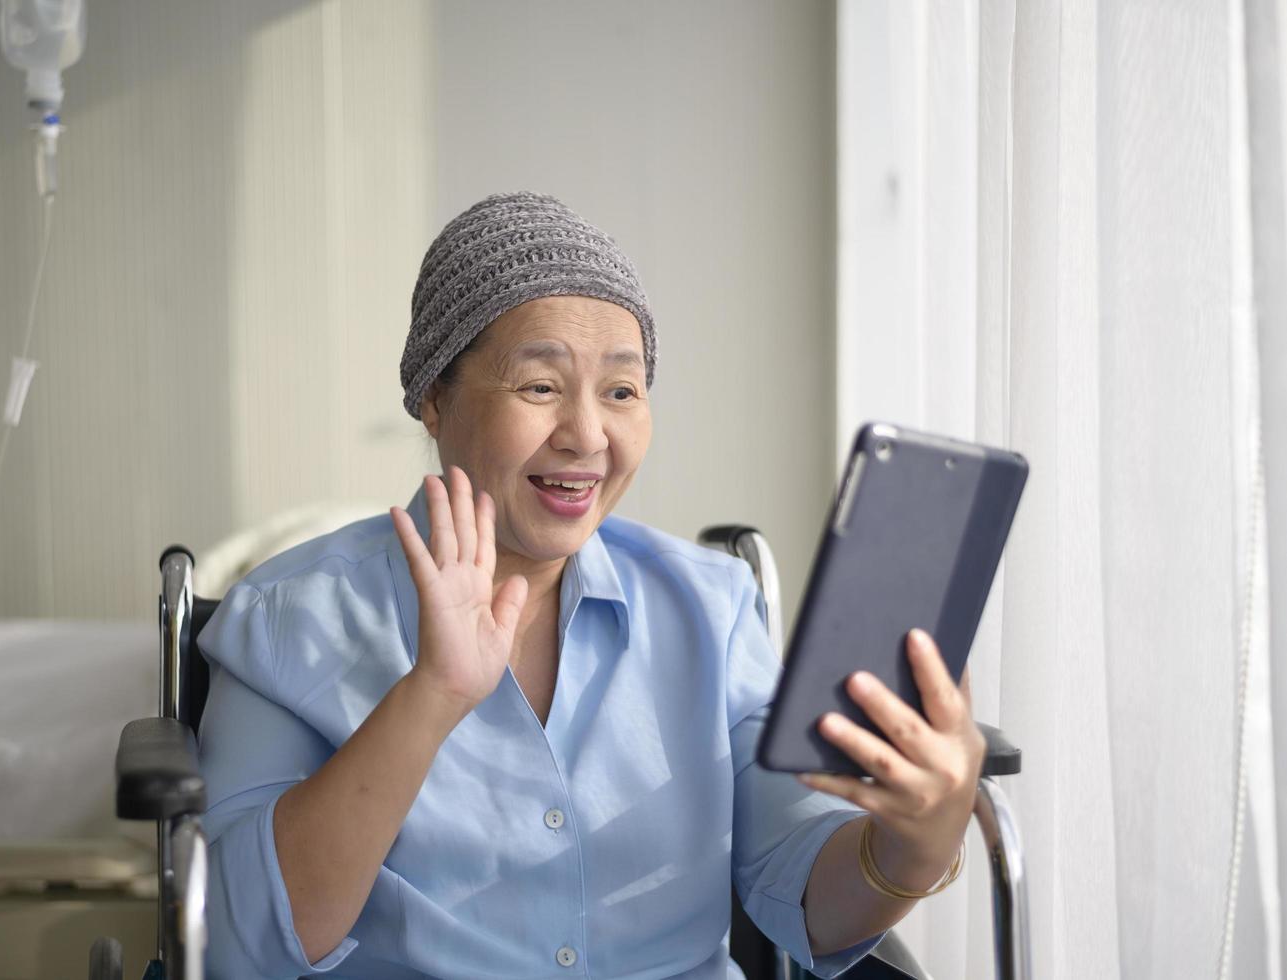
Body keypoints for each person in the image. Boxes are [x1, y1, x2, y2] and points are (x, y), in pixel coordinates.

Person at [197, 192, 985, 979]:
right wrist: (431, 696)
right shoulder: (286, 617)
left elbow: (802, 885)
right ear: (434, 398)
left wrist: (914, 845)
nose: (585, 436)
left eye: (621, 391)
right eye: (539, 387)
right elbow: (243, 942)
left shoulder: (710, 608)